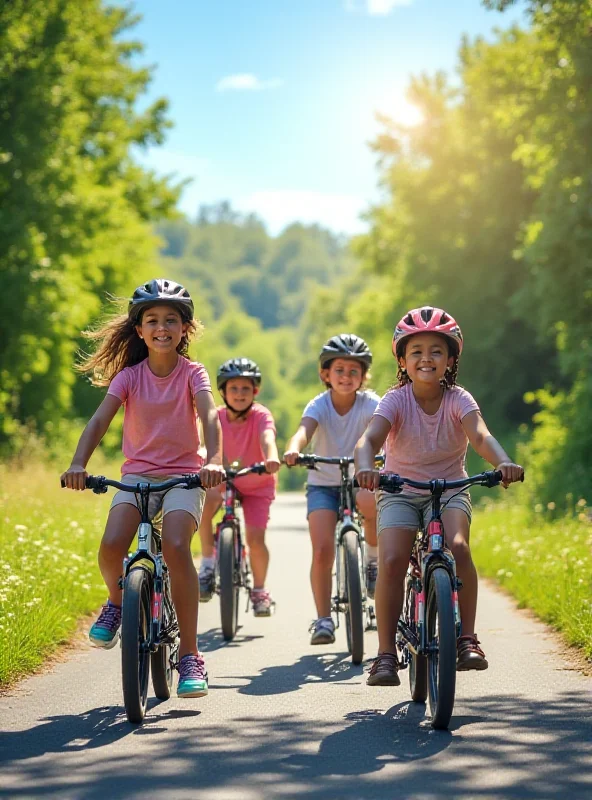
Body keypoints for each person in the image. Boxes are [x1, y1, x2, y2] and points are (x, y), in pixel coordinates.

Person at [61, 278, 224, 699]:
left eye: (172, 319)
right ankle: (117, 603)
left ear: (185, 328)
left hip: (186, 475)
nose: (162, 327)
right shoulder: (129, 377)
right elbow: (99, 421)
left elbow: (209, 416)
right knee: (112, 545)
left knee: (174, 545)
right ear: (139, 330)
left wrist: (214, 460)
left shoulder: (194, 373)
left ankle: (190, 654)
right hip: (136, 476)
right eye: (152, 320)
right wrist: (79, 463)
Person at [355, 306, 524, 685]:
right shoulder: (395, 401)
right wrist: (366, 467)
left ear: (450, 359)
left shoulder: (458, 399)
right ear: (402, 359)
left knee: (459, 547)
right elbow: (369, 439)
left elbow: (480, 435)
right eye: (416, 351)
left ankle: (467, 638)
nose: (426, 358)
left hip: (450, 488)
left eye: (436, 350)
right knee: (395, 558)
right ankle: (384, 654)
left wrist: (504, 462)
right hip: (399, 489)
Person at [284, 334, 380, 645]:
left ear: (363, 376)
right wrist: (293, 449)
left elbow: (387, 433)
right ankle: (323, 619)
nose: (347, 377)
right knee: (323, 548)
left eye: (354, 371)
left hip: (362, 478)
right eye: (339, 370)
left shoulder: (371, 404)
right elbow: (303, 431)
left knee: (370, 502)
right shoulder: (319, 404)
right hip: (323, 482)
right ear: (326, 374)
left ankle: (372, 561)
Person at [198, 358, 280, 616]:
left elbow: (268, 437)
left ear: (255, 391)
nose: (240, 394)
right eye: (234, 388)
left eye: (246, 389)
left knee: (256, 539)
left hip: (257, 481)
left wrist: (271, 457)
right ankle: (208, 563)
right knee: (204, 503)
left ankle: (259, 591)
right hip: (223, 479)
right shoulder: (216, 416)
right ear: (223, 391)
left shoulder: (261, 415)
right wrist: (200, 458)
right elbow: (202, 444)